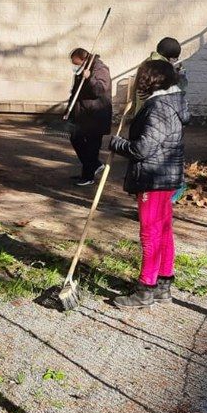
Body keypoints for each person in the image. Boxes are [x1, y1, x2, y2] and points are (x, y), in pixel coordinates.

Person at [109, 59, 188, 308]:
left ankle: (146, 288)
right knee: (163, 230)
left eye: (140, 76)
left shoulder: (159, 107)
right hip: (166, 176)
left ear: (150, 79)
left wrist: (117, 144)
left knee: (150, 233)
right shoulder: (173, 102)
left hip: (154, 178)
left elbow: (143, 148)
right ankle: (163, 284)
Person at [67, 47, 114, 187]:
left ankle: (88, 175)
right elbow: (76, 92)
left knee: (92, 146)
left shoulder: (100, 69)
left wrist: (90, 79)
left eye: (76, 64)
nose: (75, 67)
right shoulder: (83, 70)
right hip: (83, 114)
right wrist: (69, 109)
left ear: (83, 59)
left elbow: (100, 90)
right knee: (76, 138)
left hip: (96, 115)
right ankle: (94, 165)